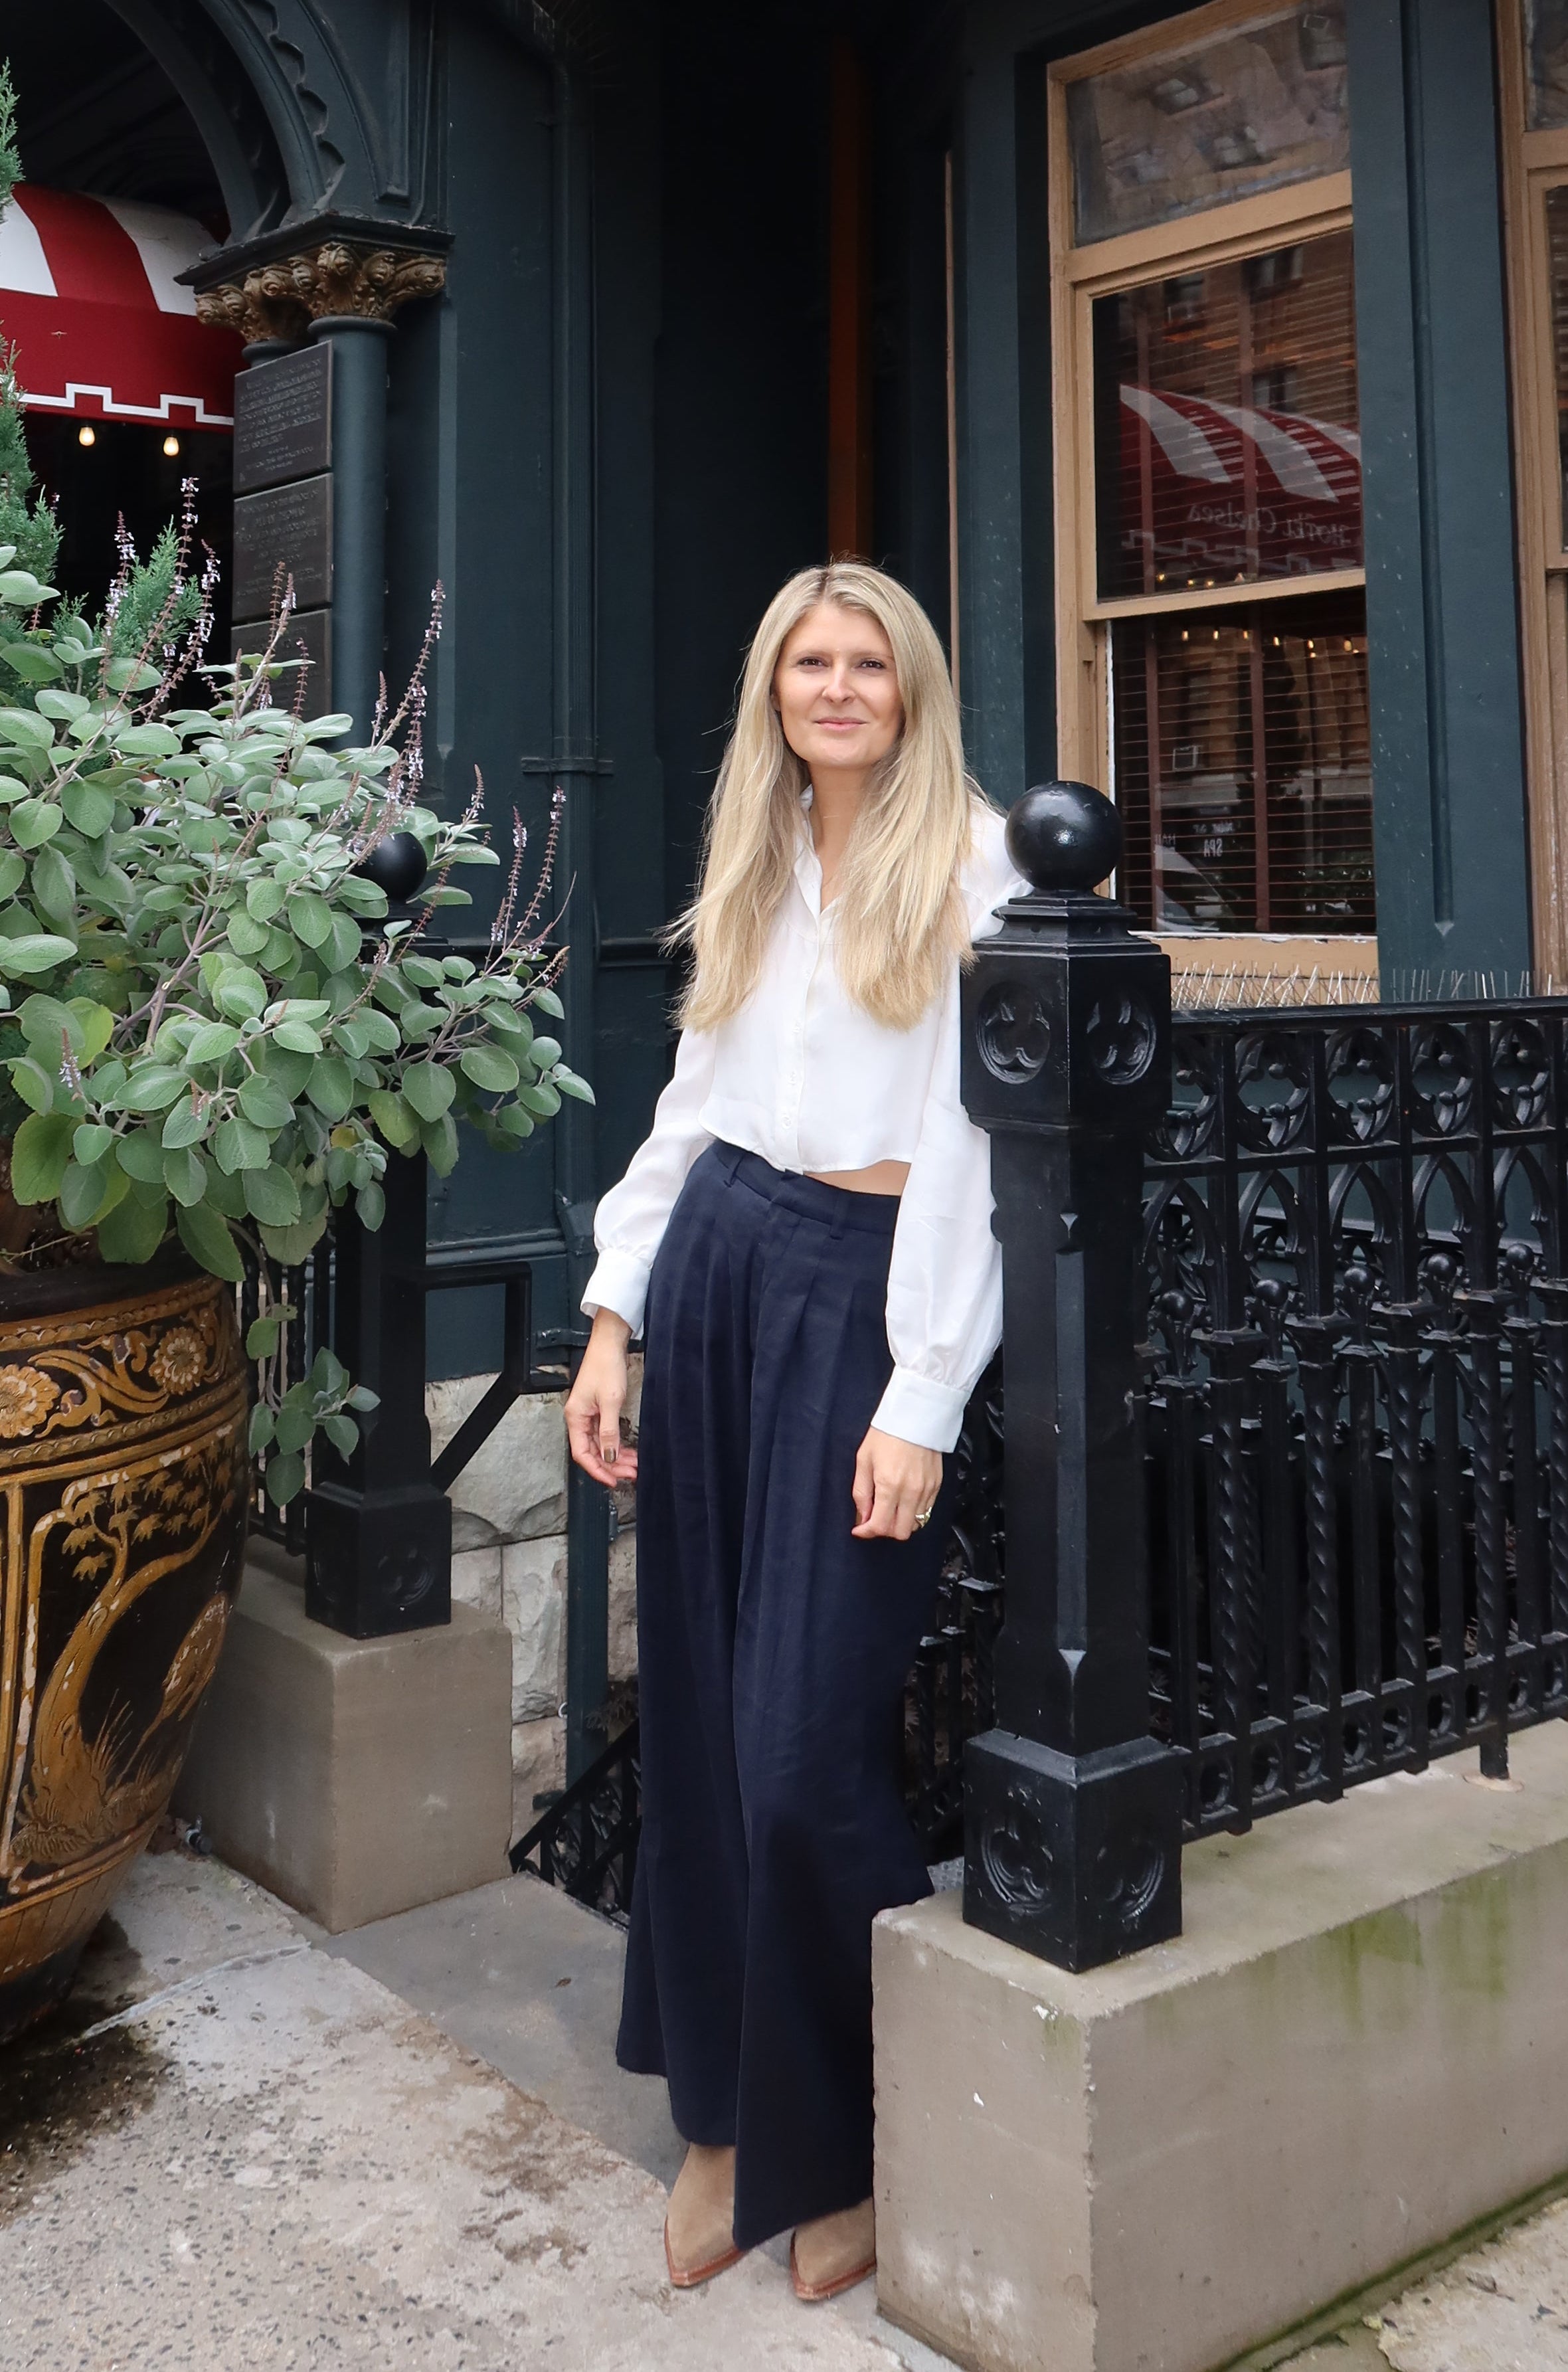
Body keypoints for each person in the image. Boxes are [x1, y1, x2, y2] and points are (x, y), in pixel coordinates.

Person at [565, 561, 1023, 2304]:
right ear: (774, 687)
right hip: (717, 1262)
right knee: (692, 1716)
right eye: (808, 661)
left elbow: (979, 1154)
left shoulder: (974, 865)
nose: (837, 686)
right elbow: (692, 1102)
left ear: (911, 689)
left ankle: (843, 2136)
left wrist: (922, 1391)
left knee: (802, 1746)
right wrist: (613, 1315)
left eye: (867, 662)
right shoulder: (757, 856)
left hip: (861, 1283)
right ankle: (718, 2117)